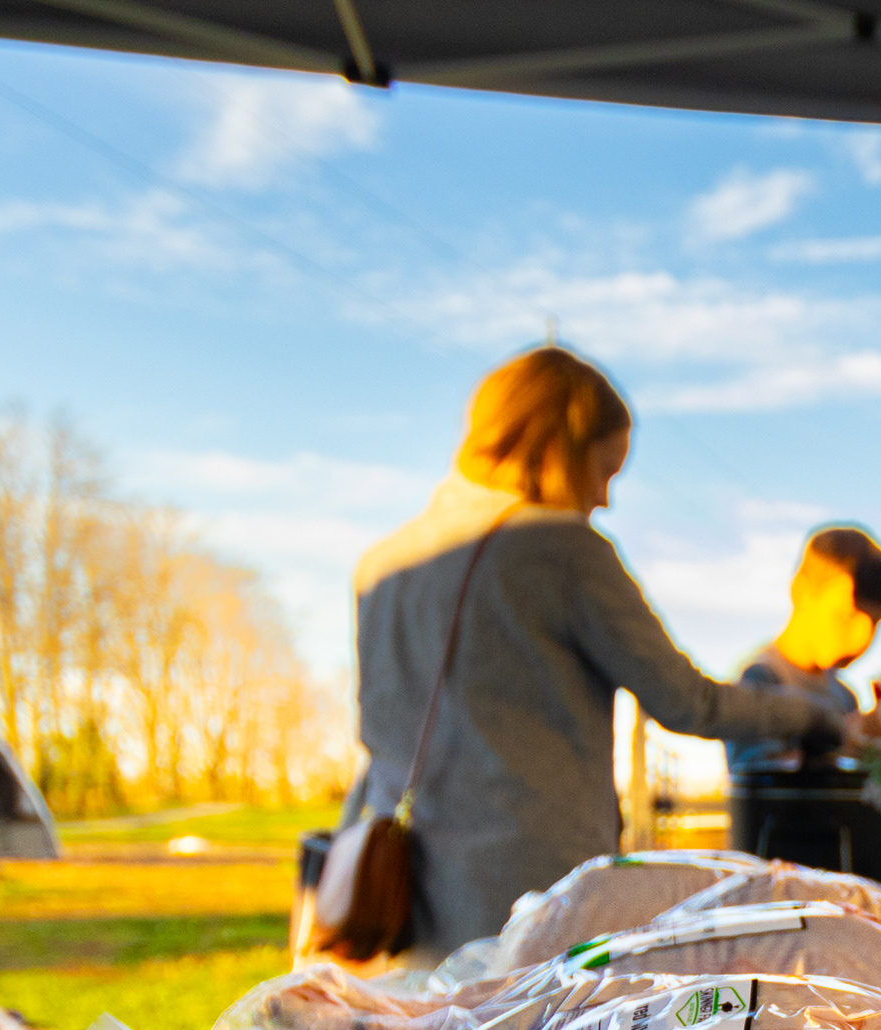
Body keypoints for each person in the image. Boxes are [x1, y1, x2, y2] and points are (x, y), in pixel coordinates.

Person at [345, 346, 839, 950]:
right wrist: (818, 718)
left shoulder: (380, 565)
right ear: (559, 450)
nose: (604, 499)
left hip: (394, 899)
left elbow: (377, 730)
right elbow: (689, 703)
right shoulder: (561, 549)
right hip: (523, 907)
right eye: (604, 472)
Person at [733, 524, 881, 880]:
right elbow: (763, 786)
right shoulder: (760, 681)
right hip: (777, 886)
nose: (861, 637)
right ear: (801, 590)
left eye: (874, 622)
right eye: (845, 614)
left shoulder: (844, 696)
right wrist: (844, 738)